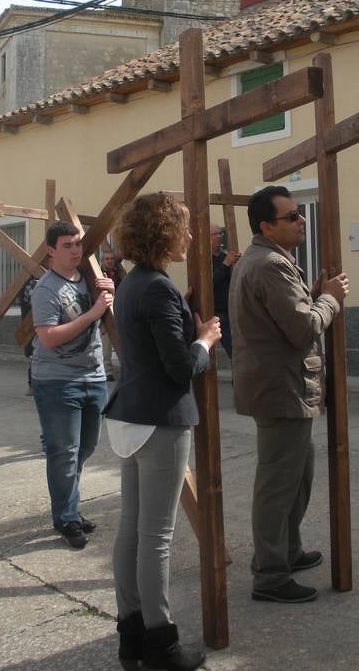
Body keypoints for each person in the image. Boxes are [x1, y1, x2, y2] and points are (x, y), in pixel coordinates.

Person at [105, 193, 221, 671]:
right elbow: (179, 367)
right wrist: (206, 340)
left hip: (129, 415)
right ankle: (162, 646)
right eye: (185, 229)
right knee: (155, 537)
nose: (192, 237)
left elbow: (153, 340)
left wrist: (182, 314)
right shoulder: (158, 288)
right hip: (158, 420)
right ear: (164, 234)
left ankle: (132, 637)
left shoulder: (134, 282)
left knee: (131, 531)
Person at [229, 185, 349, 605]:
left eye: (300, 214)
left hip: (284, 387)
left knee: (298, 477)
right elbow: (301, 329)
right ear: (266, 226)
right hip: (280, 388)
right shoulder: (269, 265)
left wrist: (315, 297)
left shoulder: (270, 260)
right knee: (278, 485)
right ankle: (270, 575)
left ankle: (287, 552)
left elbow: (286, 319)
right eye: (292, 216)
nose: (301, 221)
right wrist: (330, 301)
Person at [30, 221, 114, 549]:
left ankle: (70, 508)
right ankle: (66, 517)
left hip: (93, 377)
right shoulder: (46, 289)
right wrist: (94, 312)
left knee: (86, 448)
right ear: (51, 250)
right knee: (64, 454)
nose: (76, 250)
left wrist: (109, 293)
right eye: (67, 245)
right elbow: (48, 338)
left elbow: (107, 312)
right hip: (56, 382)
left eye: (78, 244)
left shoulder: (90, 279)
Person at [210, 223, 240, 360]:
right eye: (215, 233)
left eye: (221, 233)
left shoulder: (224, 257)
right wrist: (225, 265)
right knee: (233, 350)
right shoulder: (203, 259)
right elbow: (209, 283)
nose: (219, 236)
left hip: (232, 309)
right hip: (217, 312)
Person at [99, 248, 125, 380]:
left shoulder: (119, 274)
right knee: (106, 342)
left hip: (119, 311)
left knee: (122, 339)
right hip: (104, 312)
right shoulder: (98, 274)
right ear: (102, 261)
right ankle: (107, 370)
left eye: (111, 259)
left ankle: (125, 367)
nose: (109, 261)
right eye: (107, 259)